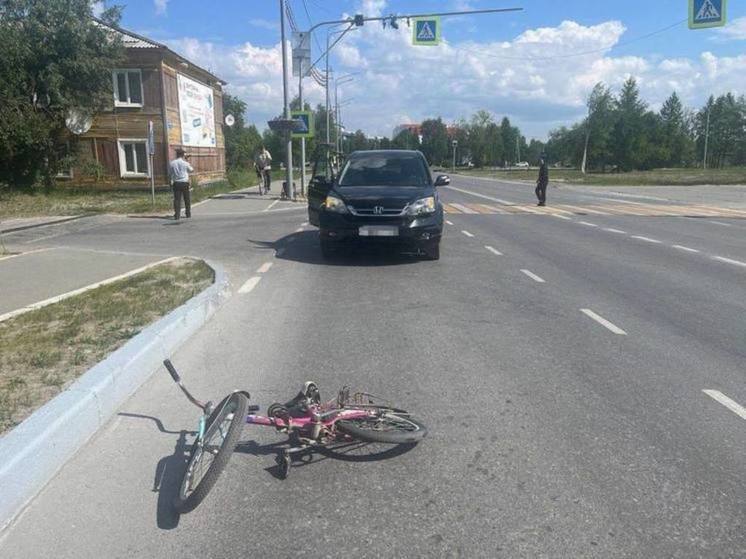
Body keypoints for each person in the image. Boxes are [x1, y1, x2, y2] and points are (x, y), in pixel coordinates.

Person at [169, 148, 194, 220]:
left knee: (177, 199)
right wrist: (187, 160)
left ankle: (177, 215)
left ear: (177, 154)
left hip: (176, 183)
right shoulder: (185, 163)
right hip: (185, 183)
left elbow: (170, 174)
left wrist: (170, 181)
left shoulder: (172, 163)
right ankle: (188, 213)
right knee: (187, 198)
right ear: (183, 155)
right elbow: (191, 170)